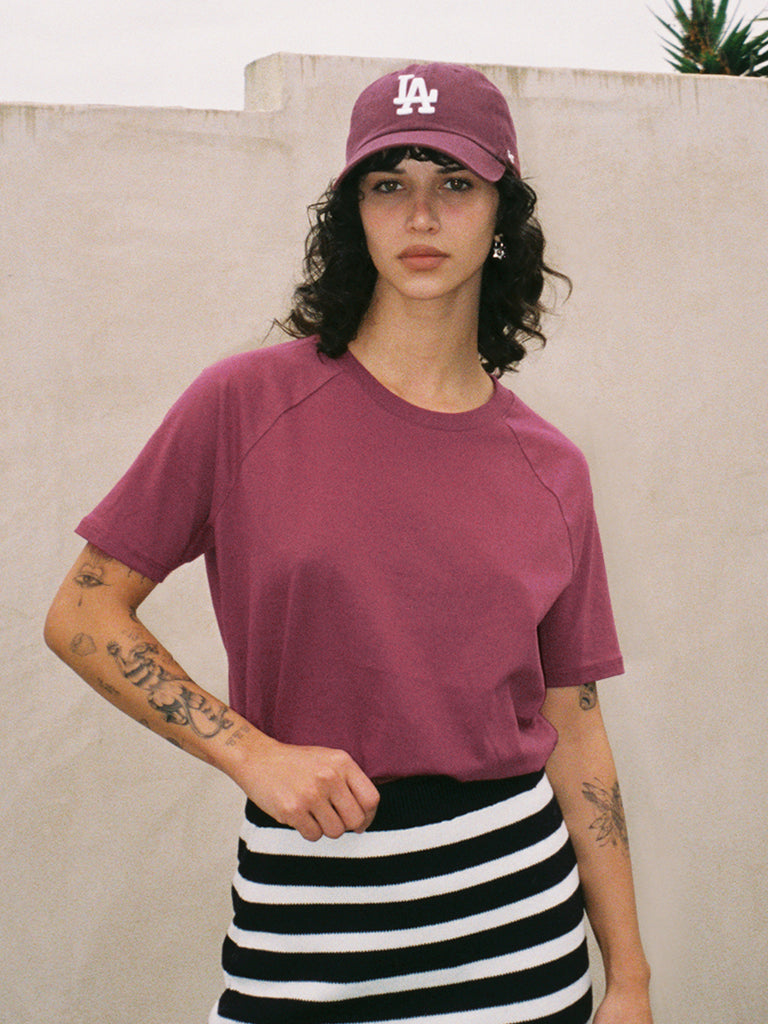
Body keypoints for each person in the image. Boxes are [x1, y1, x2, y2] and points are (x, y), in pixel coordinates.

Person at [45, 62, 653, 1024]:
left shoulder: (551, 467)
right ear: (352, 216)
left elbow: (573, 725)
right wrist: (252, 754)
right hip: (306, 921)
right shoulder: (241, 406)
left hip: (519, 930)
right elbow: (81, 613)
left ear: (503, 218)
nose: (422, 216)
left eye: (455, 184)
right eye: (389, 185)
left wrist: (629, 979)